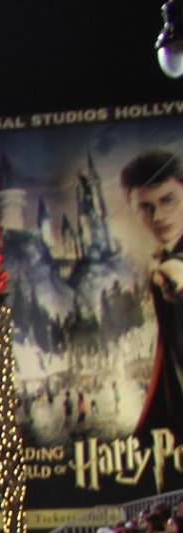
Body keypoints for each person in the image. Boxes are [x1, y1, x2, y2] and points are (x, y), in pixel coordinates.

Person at [122, 149, 183, 439]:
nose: (158, 216)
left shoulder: (172, 262)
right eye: (145, 207)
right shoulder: (160, 257)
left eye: (167, 200)